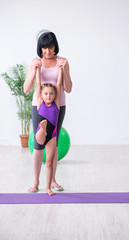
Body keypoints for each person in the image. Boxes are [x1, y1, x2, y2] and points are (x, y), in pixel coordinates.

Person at [24, 31, 72, 192]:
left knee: (54, 142)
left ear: (55, 46)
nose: (48, 51)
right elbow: (26, 89)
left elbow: (68, 88)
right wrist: (33, 70)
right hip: (39, 106)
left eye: (50, 47)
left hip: (58, 106)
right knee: (38, 144)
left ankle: (52, 181)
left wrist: (63, 69)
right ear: (40, 48)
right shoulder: (35, 62)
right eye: (44, 48)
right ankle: (35, 181)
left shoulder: (62, 61)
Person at [34, 65, 62, 195]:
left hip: (52, 136)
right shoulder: (40, 103)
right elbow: (38, 83)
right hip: (42, 133)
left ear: (55, 95)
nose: (49, 96)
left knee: (49, 162)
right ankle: (43, 128)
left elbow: (59, 84)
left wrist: (60, 70)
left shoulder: (56, 104)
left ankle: (48, 188)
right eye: (46, 93)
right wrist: (38, 70)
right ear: (41, 95)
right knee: (40, 135)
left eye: (51, 93)